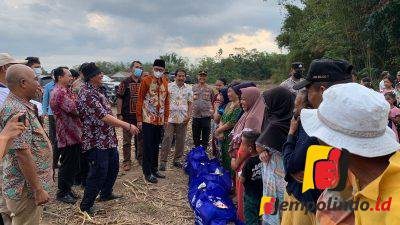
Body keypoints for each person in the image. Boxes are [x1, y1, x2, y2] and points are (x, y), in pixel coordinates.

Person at [301, 83, 400, 225]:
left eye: (320, 135)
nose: (318, 141)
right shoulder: (361, 176)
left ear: (335, 146)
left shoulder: (394, 213)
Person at [289, 58, 353, 225]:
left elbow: (294, 165)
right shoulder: (360, 120)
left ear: (323, 91)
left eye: (308, 90)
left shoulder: (318, 126)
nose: (307, 97)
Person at [77, 62, 139, 215]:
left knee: (112, 168)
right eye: (99, 74)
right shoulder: (87, 94)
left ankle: (106, 193)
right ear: (91, 77)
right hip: (96, 141)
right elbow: (104, 116)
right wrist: (127, 125)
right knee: (98, 172)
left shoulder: (98, 91)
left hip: (107, 139)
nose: (101, 75)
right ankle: (86, 205)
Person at [0, 64, 53, 225]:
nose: (38, 84)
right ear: (23, 83)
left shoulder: (20, 105)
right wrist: (37, 190)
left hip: (24, 186)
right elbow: (22, 153)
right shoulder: (17, 111)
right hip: (25, 189)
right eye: (35, 79)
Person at [256, 87, 295, 225]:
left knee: (273, 206)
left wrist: (261, 150)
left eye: (268, 102)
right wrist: (262, 151)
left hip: (275, 174)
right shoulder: (294, 120)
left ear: (278, 102)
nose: (266, 105)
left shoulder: (274, 124)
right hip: (284, 174)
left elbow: (259, 144)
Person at [281, 90, 321, 225]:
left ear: (307, 108)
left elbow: (290, 164)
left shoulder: (309, 132)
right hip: (298, 193)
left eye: (297, 106)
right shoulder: (302, 126)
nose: (294, 110)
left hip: (305, 198)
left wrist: (291, 134)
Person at [231, 86, 265, 222]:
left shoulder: (253, 118)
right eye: (241, 99)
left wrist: (237, 163)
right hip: (244, 159)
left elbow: (247, 146)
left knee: (246, 195)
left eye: (244, 99)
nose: (241, 102)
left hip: (246, 161)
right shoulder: (249, 113)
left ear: (253, 99)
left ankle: (244, 219)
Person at [50, 67, 82, 204]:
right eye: (68, 76)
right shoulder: (59, 93)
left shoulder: (66, 90)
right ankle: (62, 192)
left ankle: (67, 189)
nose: (71, 78)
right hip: (67, 134)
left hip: (74, 133)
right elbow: (75, 109)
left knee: (73, 163)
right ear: (59, 77)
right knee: (67, 164)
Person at [136, 59, 169, 183]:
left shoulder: (165, 82)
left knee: (156, 145)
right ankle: (147, 171)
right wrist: (139, 119)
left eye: (161, 70)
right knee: (147, 146)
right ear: (152, 68)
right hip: (147, 119)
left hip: (159, 120)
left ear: (164, 71)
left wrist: (166, 118)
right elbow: (140, 100)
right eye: (156, 69)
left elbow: (166, 101)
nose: (158, 72)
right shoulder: (146, 81)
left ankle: (155, 169)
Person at [159, 69, 193, 171]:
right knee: (167, 138)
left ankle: (177, 160)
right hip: (170, 117)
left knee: (181, 140)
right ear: (175, 76)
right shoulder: (169, 87)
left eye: (183, 76)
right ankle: (163, 161)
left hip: (183, 118)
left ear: (185, 77)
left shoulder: (189, 88)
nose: (181, 78)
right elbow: (163, 100)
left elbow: (190, 103)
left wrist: (189, 115)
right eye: (179, 76)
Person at [116, 60, 144, 171]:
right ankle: (127, 161)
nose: (139, 69)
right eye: (137, 67)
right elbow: (119, 98)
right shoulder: (125, 82)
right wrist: (119, 113)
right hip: (127, 116)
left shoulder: (143, 82)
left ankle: (140, 158)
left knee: (141, 139)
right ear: (131, 69)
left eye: (141, 67)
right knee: (127, 141)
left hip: (141, 117)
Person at [215, 85, 242, 172]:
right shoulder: (229, 104)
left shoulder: (239, 106)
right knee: (223, 156)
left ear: (237, 93)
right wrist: (221, 131)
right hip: (223, 135)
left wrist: (219, 130)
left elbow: (232, 122)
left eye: (230, 92)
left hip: (231, 136)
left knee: (230, 157)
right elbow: (222, 119)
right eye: (228, 92)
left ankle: (231, 180)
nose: (228, 94)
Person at [239, 131, 263, 225]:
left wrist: (240, 175)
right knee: (262, 217)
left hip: (250, 196)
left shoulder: (248, 163)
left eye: (242, 144)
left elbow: (242, 179)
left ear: (249, 148)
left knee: (251, 218)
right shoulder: (263, 158)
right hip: (262, 193)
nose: (241, 146)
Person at [192, 70, 214, 148]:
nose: (202, 77)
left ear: (206, 77)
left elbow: (213, 100)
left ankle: (204, 151)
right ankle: (197, 150)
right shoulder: (193, 88)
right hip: (195, 115)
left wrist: (212, 112)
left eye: (204, 76)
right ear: (198, 77)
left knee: (206, 135)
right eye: (200, 76)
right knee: (195, 135)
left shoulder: (210, 89)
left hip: (206, 115)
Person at [42, 71, 59, 169]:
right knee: (54, 138)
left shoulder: (64, 85)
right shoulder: (48, 86)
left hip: (62, 115)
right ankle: (53, 161)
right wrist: (44, 112)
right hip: (52, 114)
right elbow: (45, 100)